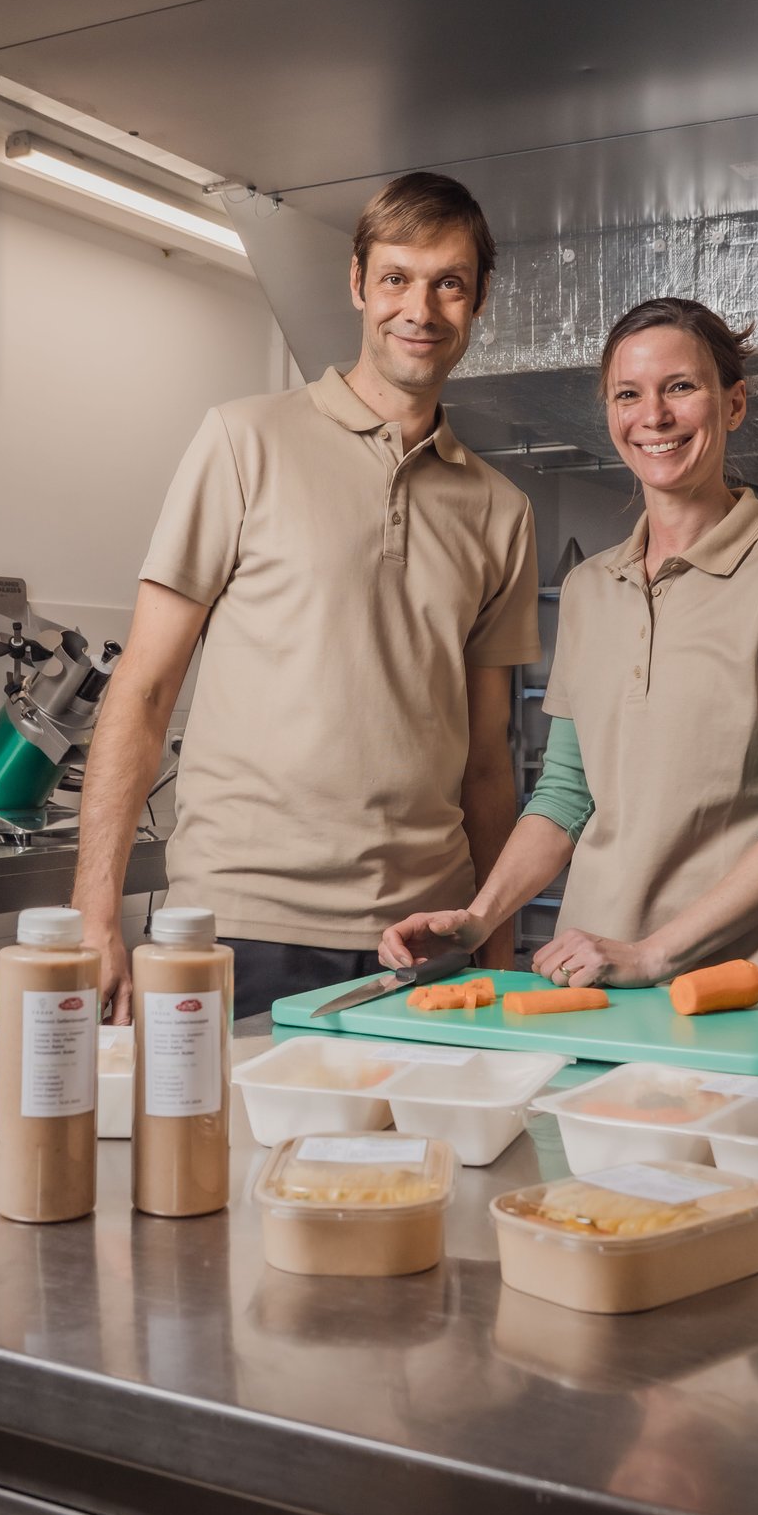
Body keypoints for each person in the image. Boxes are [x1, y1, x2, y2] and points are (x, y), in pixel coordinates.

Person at [72, 171, 540, 1020]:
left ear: (478, 302)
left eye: (449, 283)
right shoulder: (242, 441)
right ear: (358, 283)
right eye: (397, 277)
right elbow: (141, 690)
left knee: (421, 1161)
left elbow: (486, 759)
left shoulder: (501, 512)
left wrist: (495, 943)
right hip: (237, 925)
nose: (421, 309)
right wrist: (93, 914)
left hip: (422, 940)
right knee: (225, 1157)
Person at [380, 297, 758, 995]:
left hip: (734, 994)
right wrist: (475, 919)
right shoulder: (588, 589)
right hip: (587, 986)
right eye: (628, 394)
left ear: (732, 404)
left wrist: (654, 955)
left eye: (681, 387)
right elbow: (565, 795)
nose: (655, 416)